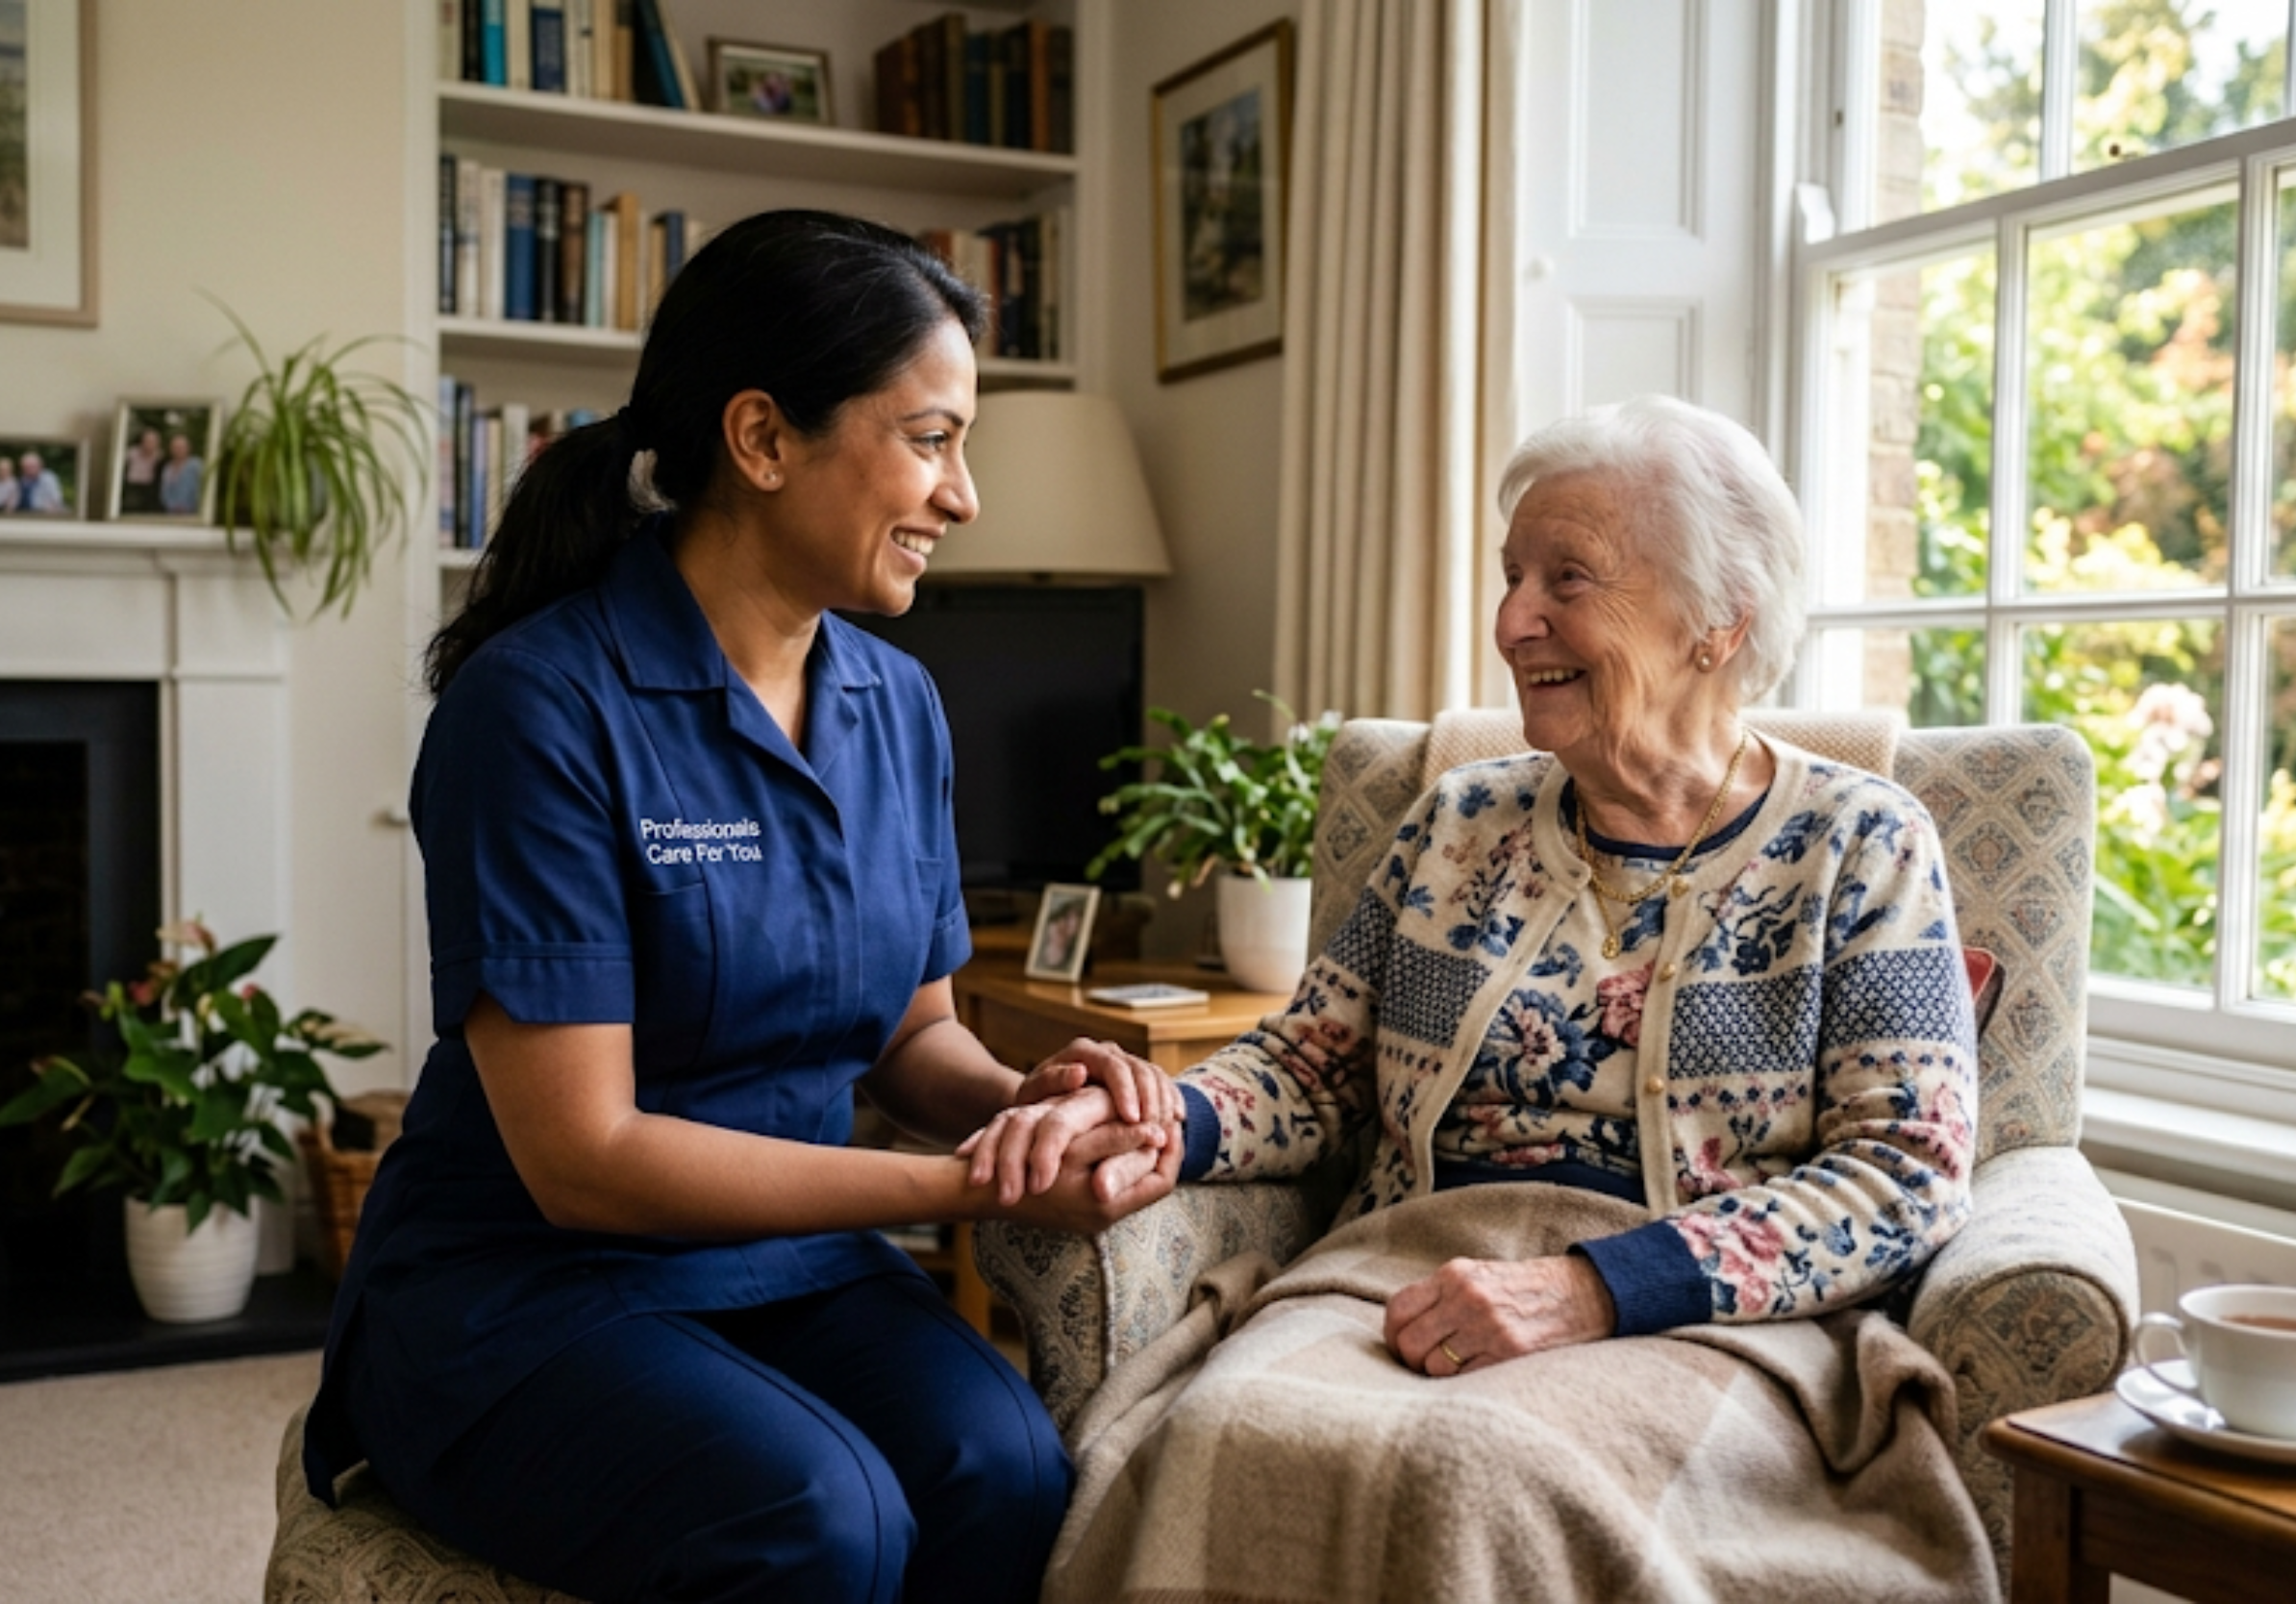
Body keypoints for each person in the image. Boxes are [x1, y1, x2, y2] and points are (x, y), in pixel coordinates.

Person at [971, 394, 1993, 1600]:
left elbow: (1908, 1168)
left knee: (1470, 1469)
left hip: (1697, 1322)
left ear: (1719, 623)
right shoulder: (1462, 818)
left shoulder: (1860, 841)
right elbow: (1310, 1066)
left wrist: (1593, 1289)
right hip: (1398, 1276)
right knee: (1216, 1434)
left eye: (1570, 578)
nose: (1515, 621)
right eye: (1513, 576)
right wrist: (1160, 1119)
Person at [301, 210, 1185, 1604]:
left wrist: (1031, 1104)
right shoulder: (539, 708)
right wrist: (962, 1188)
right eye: (933, 438)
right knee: (821, 1521)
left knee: (1010, 1472)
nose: (964, 499)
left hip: (787, 1265)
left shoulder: (899, 707)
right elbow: (582, 1156)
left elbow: (911, 1041)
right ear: (764, 440)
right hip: (528, 1283)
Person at [118, 424, 164, 514]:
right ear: (142, 441)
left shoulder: (160, 457)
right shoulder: (131, 454)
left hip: (149, 490)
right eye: (147, 441)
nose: (150, 444)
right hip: (131, 487)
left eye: (153, 442)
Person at [157, 430, 203, 515]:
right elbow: (164, 491)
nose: (178, 450)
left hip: (193, 513)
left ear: (188, 448)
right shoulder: (168, 468)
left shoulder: (197, 465)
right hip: (171, 513)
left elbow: (201, 489)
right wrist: (171, 505)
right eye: (175, 447)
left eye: (181, 447)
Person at [16, 450, 64, 514]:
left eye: (32, 467)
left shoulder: (49, 478)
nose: (29, 470)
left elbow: (56, 499)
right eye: (26, 467)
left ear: (40, 466)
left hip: (44, 512)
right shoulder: (23, 480)